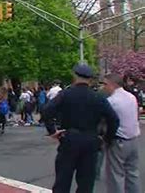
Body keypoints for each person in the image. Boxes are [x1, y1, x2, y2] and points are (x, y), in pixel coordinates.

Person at [42, 64, 119, 193]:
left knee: (63, 180)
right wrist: (106, 139)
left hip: (70, 139)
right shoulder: (98, 97)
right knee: (86, 183)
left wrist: (53, 131)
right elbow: (113, 119)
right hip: (91, 140)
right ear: (90, 79)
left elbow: (47, 111)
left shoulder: (65, 94)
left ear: (75, 76)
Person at [103, 73, 141, 193]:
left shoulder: (111, 101)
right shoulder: (131, 97)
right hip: (133, 139)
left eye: (104, 84)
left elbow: (105, 120)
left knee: (116, 175)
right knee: (132, 173)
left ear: (111, 84)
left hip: (119, 140)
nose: (103, 87)